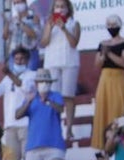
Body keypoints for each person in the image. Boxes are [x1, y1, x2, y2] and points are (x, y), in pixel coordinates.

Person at [0, 48, 37, 160]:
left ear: (27, 60)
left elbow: (26, 88)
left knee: (29, 159)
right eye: (16, 59)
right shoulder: (7, 79)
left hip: (26, 123)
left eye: (22, 59)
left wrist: (9, 73)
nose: (19, 62)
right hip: (10, 124)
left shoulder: (32, 75)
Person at [39, 0, 81, 141]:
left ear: (68, 9)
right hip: (52, 63)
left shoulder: (74, 24)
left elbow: (74, 43)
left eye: (63, 6)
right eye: (57, 6)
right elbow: (43, 43)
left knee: (68, 96)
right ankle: (54, 127)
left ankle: (69, 129)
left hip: (70, 62)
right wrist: (50, 28)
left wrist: (63, 28)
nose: (60, 9)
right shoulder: (49, 23)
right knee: (53, 97)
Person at [17, 69, 66, 160]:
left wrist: (48, 101)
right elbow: (17, 115)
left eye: (46, 81)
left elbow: (60, 109)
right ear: (36, 83)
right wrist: (28, 102)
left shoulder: (56, 96)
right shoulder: (31, 98)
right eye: (41, 81)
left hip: (54, 145)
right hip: (33, 146)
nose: (44, 84)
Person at [92, 16, 124, 151]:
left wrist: (109, 53)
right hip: (104, 80)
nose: (111, 27)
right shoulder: (103, 43)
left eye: (114, 24)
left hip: (119, 79)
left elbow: (123, 62)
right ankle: (105, 143)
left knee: (121, 108)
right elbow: (97, 65)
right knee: (103, 110)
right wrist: (103, 55)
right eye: (108, 24)